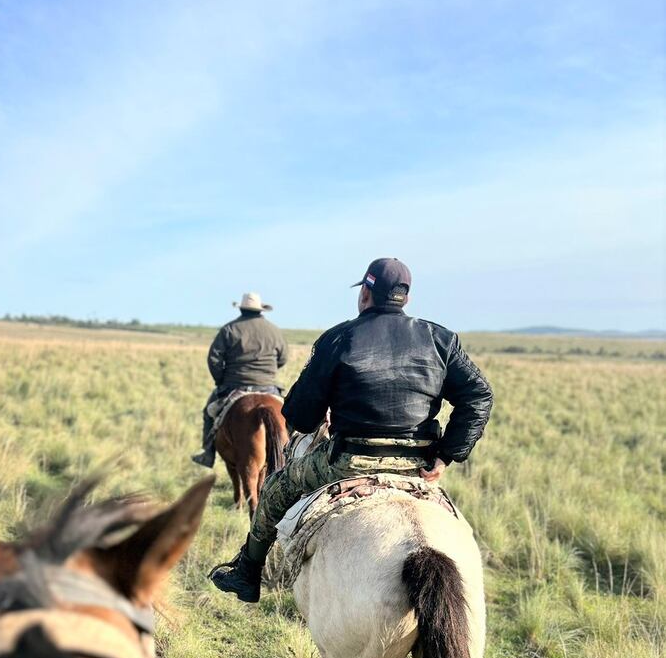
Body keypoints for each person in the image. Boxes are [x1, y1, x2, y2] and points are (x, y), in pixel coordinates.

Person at [210, 257, 494, 602]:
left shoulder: (339, 338)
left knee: (275, 488)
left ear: (365, 295)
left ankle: (247, 573)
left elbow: (299, 417)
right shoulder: (440, 338)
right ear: (404, 297)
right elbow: (479, 394)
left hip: (348, 462)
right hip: (416, 465)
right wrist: (447, 454)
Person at [191, 292, 289, 467]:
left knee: (209, 412)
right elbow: (283, 358)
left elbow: (214, 359)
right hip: (268, 386)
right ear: (261, 310)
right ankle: (292, 452)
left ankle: (208, 453)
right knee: (290, 415)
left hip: (234, 385)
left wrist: (220, 380)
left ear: (242, 308)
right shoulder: (274, 330)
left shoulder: (229, 329)